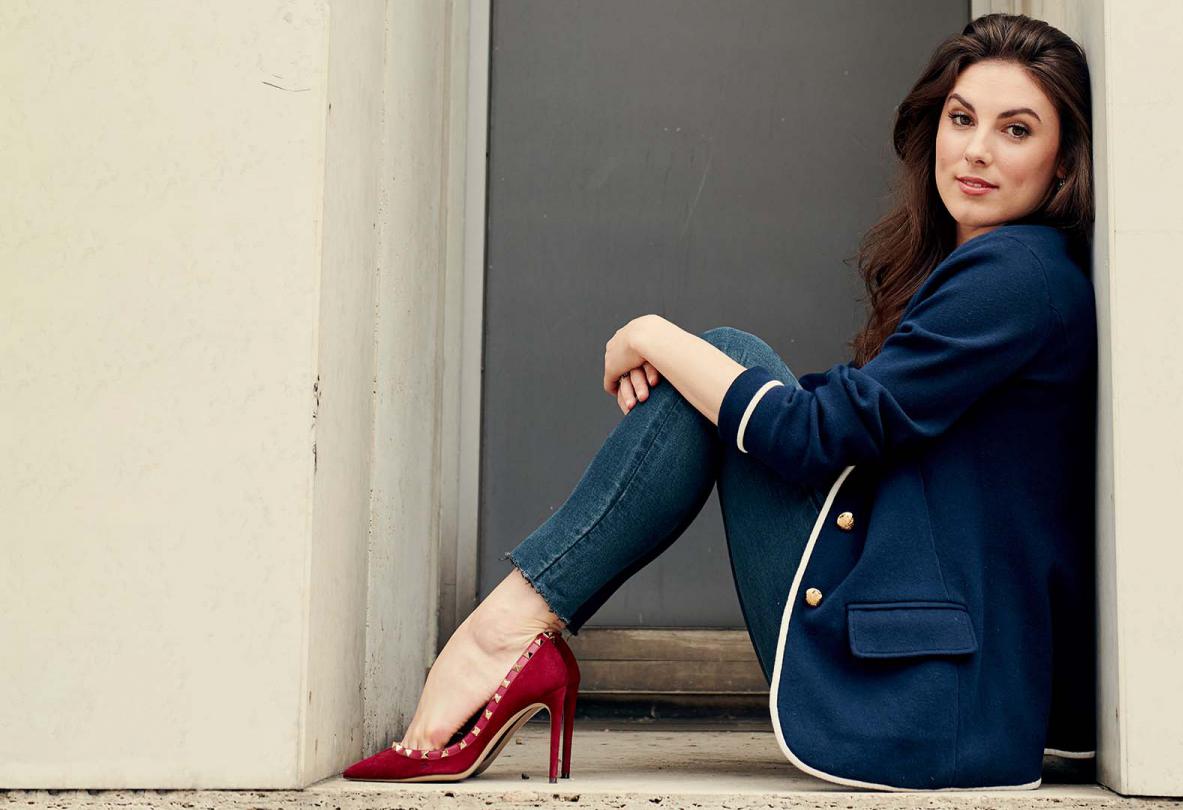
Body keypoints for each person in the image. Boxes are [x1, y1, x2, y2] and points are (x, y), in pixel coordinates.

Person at [343, 12, 1097, 790]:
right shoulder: (1019, 273)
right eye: (962, 118)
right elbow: (847, 421)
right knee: (721, 376)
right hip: (940, 686)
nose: (975, 149)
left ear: (1062, 167)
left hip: (918, 704)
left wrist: (653, 334)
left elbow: (815, 438)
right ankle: (511, 636)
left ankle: (502, 638)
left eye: (1015, 130)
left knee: (722, 361)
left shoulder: (1015, 276)